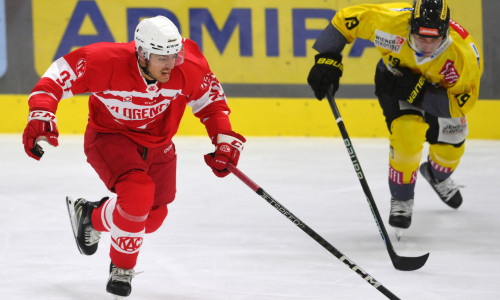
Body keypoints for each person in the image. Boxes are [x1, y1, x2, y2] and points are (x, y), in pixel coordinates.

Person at [22, 16, 245, 298]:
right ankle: (121, 270)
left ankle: (91, 215)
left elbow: (211, 104)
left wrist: (222, 139)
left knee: (152, 218)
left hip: (158, 145)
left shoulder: (188, 66)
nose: (171, 64)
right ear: (141, 53)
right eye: (162, 57)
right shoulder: (105, 61)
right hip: (109, 138)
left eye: (174, 55)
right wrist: (41, 112)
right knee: (137, 193)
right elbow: (55, 78)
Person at [307, 0, 481, 235]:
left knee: (452, 145)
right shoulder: (389, 22)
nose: (427, 46)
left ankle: (437, 176)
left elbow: (461, 104)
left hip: (440, 96)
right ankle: (402, 198)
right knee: (407, 136)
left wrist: (420, 92)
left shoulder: (463, 56)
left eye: (434, 39)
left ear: (445, 33)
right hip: (394, 82)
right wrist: (327, 57)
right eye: (421, 37)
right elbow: (346, 20)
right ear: (409, 26)